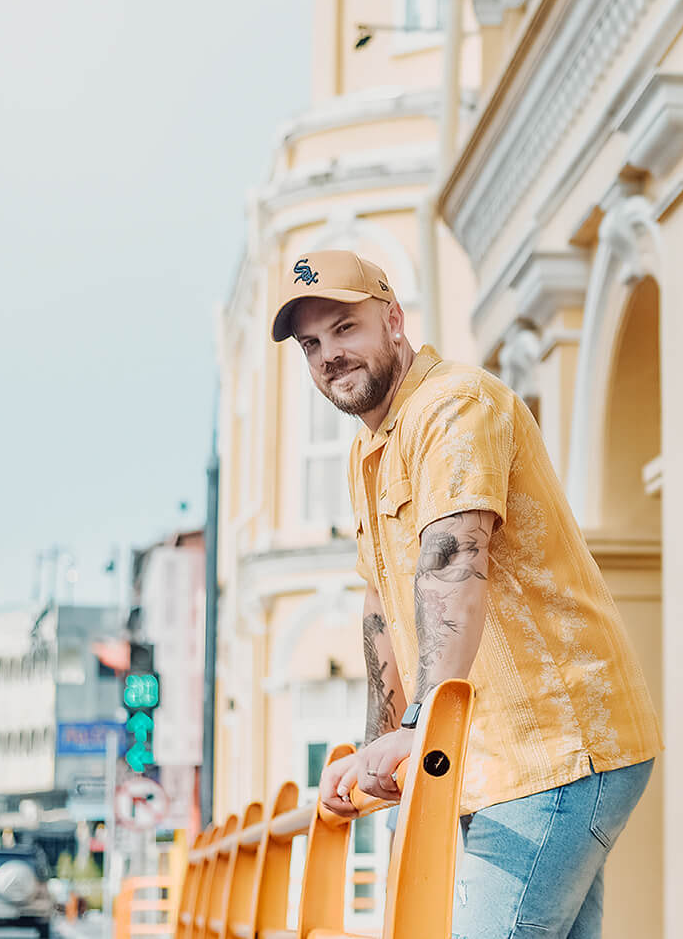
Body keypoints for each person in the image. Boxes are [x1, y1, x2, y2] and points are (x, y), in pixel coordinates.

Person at [272, 250, 661, 939]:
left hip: (551, 746)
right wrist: (379, 745)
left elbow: (453, 559)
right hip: (500, 758)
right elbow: (381, 607)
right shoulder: (370, 451)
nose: (329, 355)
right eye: (312, 345)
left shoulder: (452, 404)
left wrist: (419, 726)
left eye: (344, 328)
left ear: (393, 320)